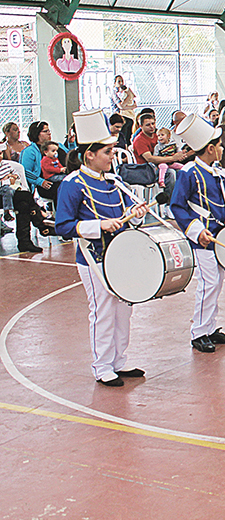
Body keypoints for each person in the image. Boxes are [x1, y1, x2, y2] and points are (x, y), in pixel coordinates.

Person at [55, 109, 150, 386]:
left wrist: (136, 211)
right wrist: (99, 226)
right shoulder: (72, 184)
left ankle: (119, 361)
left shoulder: (113, 181)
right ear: (89, 155)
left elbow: (125, 210)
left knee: (124, 308)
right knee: (103, 310)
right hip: (93, 258)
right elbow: (63, 226)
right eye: (107, 152)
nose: (112, 156)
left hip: (120, 255)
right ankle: (102, 366)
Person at [169, 114, 225, 353]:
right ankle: (198, 332)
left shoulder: (216, 171)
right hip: (203, 239)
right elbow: (177, 206)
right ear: (210, 149)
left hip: (220, 234)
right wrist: (196, 230)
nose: (221, 149)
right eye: (219, 146)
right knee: (208, 284)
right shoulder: (189, 172)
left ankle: (209, 326)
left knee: (217, 282)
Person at [120, 112, 187, 202]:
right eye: (148, 125)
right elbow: (150, 158)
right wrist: (172, 158)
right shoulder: (139, 140)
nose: (152, 126)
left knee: (183, 171)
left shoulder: (158, 135)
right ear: (141, 126)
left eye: (153, 123)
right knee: (170, 173)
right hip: (147, 169)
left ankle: (181, 200)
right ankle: (168, 204)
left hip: (164, 164)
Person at [0, 159, 52, 252]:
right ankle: (41, 225)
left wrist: (10, 179)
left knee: (23, 204)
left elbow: (14, 178)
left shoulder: (5, 165)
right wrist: (5, 181)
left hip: (7, 193)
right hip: (3, 193)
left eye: (1, 153)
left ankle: (25, 242)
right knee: (25, 197)